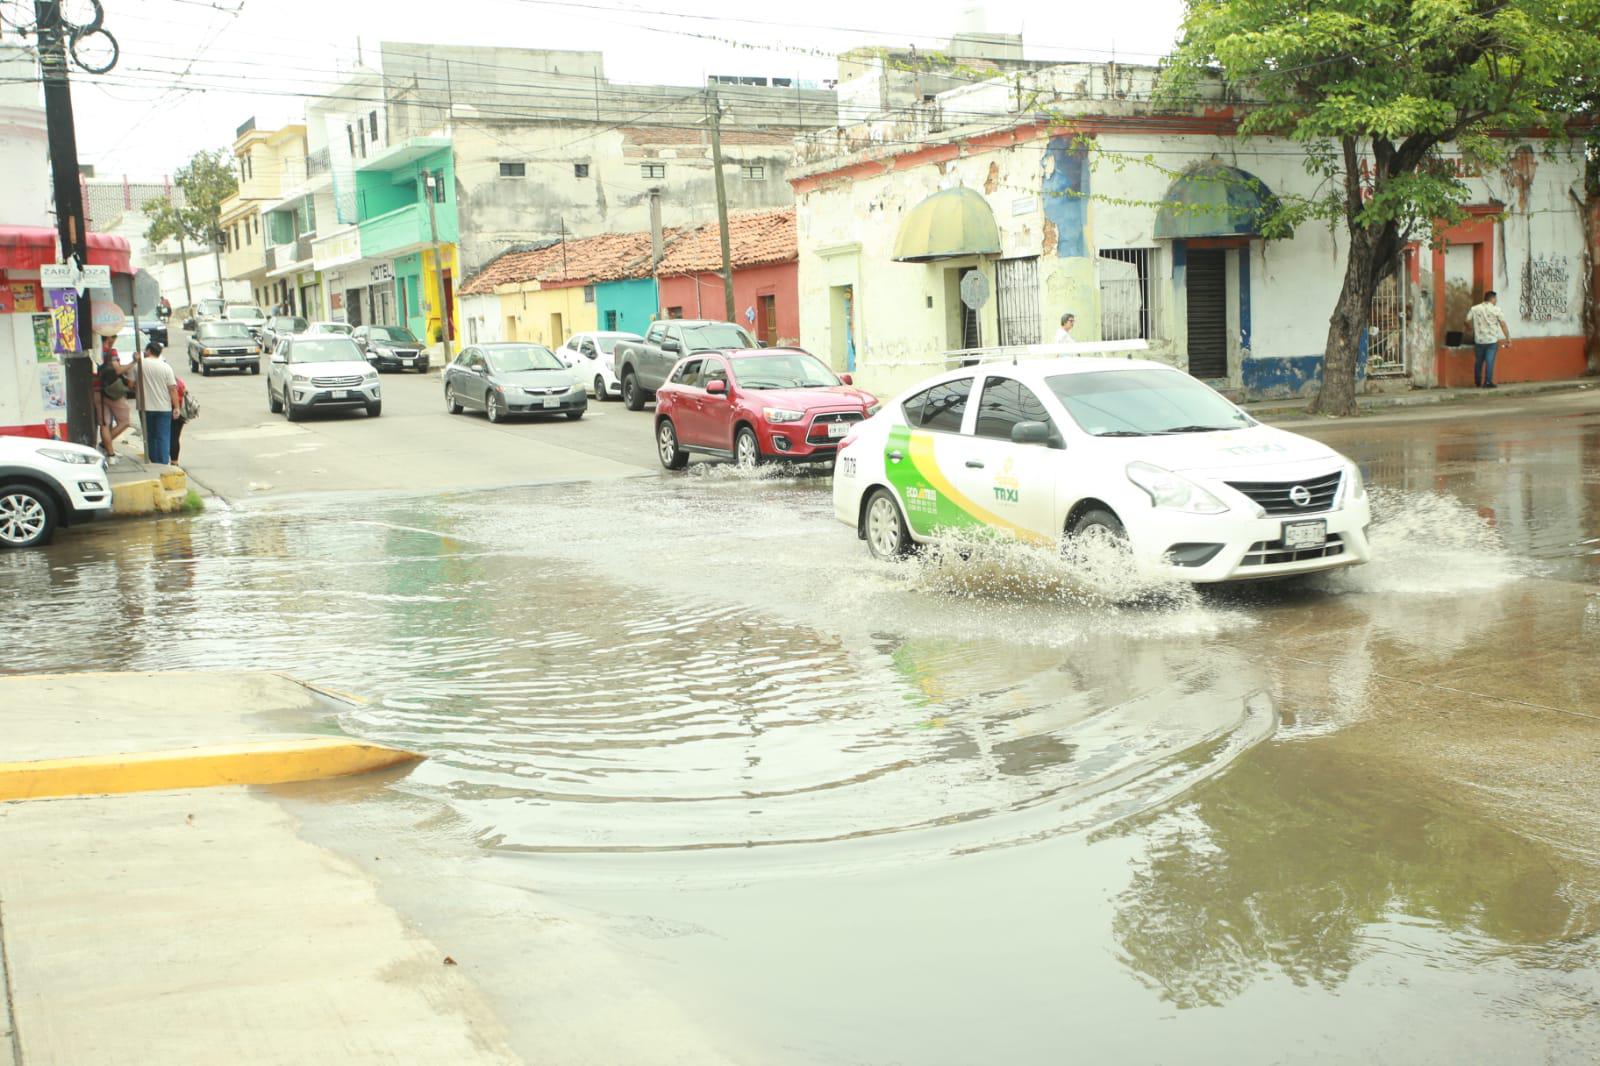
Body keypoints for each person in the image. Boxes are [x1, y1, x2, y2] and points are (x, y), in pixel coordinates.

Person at [138, 341, 180, 466]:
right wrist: (176, 407)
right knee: (163, 436)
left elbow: (131, 383)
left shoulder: (139, 365)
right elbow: (172, 389)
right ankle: (162, 463)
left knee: (150, 436)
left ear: (148, 351)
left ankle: (154, 461)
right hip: (163, 407)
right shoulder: (166, 367)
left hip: (145, 407)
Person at [97, 339, 137, 457]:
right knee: (124, 422)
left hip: (96, 391)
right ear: (109, 338)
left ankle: (110, 453)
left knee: (104, 423)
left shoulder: (93, 351)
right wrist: (133, 362)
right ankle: (104, 445)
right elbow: (118, 370)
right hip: (112, 391)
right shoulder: (111, 352)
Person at [1467, 290, 1511, 389]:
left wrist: (1469, 329)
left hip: (1479, 340)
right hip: (1491, 341)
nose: (1496, 301)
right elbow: (1503, 325)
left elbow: (1466, 320)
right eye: (1495, 299)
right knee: (1490, 361)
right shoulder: (1497, 310)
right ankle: (1487, 382)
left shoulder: (1475, 309)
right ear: (1492, 298)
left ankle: (1477, 381)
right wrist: (1508, 338)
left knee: (1479, 361)